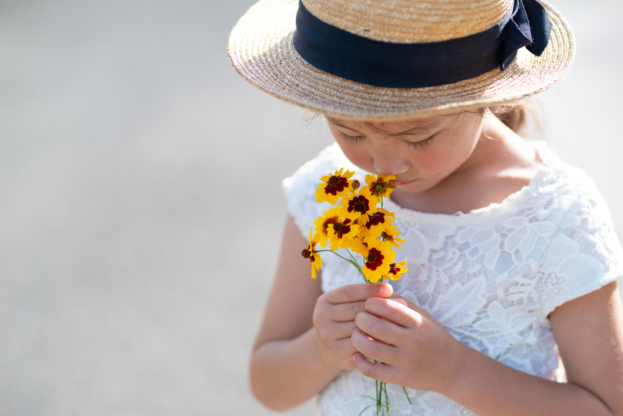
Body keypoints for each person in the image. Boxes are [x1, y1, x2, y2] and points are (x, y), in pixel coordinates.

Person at [227, 0, 623, 415]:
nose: (384, 166)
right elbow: (268, 385)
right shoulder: (331, 191)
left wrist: (456, 371)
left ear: (482, 96)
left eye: (418, 138)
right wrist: (321, 351)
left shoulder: (556, 215)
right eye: (348, 130)